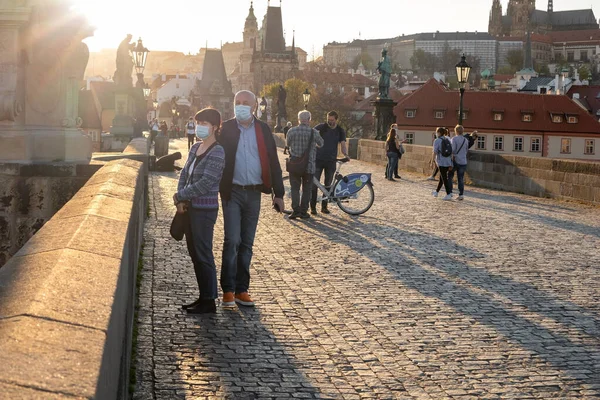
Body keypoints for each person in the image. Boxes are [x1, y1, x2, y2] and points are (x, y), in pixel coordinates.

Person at [218, 90, 284, 308]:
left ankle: (241, 289)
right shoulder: (225, 128)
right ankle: (227, 290)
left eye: (246, 103)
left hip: (254, 192)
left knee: (247, 243)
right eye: (238, 102)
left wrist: (279, 193)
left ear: (255, 106)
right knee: (232, 240)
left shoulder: (263, 129)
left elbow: (273, 161)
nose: (241, 105)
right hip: (232, 191)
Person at [173, 108, 226, 314]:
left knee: (204, 253)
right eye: (198, 123)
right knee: (194, 253)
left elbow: (206, 183)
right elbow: (185, 173)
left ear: (214, 127)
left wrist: (181, 196)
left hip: (204, 210)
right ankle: (203, 296)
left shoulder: (218, 151)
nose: (200, 127)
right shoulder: (195, 147)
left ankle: (210, 299)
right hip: (188, 208)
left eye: (204, 123)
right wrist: (180, 196)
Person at [286, 111, 324, 219]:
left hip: (294, 165)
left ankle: (295, 210)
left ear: (298, 120)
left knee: (294, 188)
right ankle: (303, 211)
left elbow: (287, 144)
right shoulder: (314, 132)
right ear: (309, 119)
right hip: (309, 165)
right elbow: (321, 144)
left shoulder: (291, 131)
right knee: (307, 189)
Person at [311, 111, 349, 215]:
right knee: (315, 184)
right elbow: (311, 135)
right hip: (318, 159)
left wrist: (345, 154)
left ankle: (324, 207)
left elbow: (343, 144)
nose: (329, 121)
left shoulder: (340, 130)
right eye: (328, 119)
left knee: (327, 185)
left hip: (331, 160)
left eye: (332, 120)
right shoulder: (321, 127)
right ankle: (313, 207)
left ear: (336, 120)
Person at [448, 125, 472, 201]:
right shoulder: (466, 140)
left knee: (450, 176)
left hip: (455, 160)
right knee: (460, 178)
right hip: (463, 161)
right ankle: (461, 194)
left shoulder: (454, 139)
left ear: (456, 131)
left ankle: (450, 192)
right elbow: (466, 150)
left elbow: (453, 150)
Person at [432, 127, 453, 201]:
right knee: (442, 177)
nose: (436, 133)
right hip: (448, 161)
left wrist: (432, 161)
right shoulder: (447, 139)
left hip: (441, 161)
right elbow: (451, 152)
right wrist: (451, 163)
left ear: (439, 133)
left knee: (444, 178)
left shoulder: (437, 140)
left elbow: (435, 152)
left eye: (436, 132)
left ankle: (448, 193)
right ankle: (436, 192)